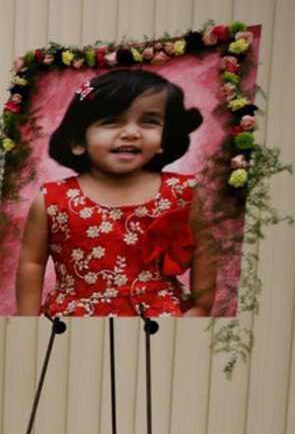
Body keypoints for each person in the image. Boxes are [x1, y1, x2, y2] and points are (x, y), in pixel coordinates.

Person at [16, 69, 211, 317]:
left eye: (149, 121)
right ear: (77, 141)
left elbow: (203, 250)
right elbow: (32, 263)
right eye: (111, 121)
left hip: (162, 317)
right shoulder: (52, 200)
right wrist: (27, 321)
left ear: (164, 138)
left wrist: (202, 308)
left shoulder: (182, 193)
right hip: (76, 319)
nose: (131, 132)